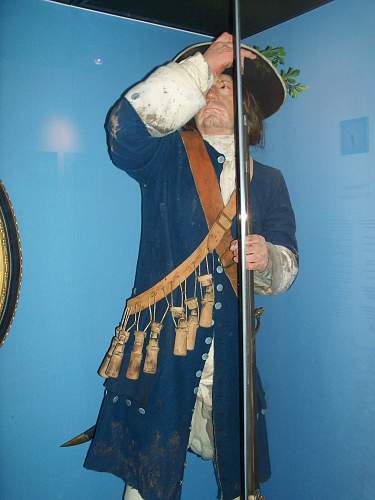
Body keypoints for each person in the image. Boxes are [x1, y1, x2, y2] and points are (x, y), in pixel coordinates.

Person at [84, 32, 298, 500]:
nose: (212, 92)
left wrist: (269, 261)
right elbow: (125, 130)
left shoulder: (271, 182)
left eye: (225, 86)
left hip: (234, 351)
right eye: (206, 87)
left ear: (247, 110)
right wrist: (202, 66)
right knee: (146, 482)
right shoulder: (164, 157)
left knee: (241, 481)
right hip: (162, 345)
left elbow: (287, 260)